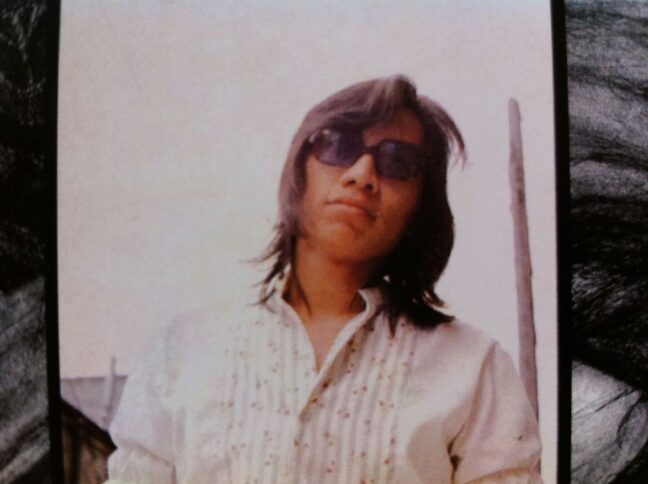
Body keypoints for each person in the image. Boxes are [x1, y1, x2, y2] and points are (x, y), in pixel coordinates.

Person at [106, 75, 542, 483]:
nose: (362, 174)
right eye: (338, 145)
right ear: (299, 171)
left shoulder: (472, 368)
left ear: (419, 208)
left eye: (397, 161)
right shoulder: (182, 353)